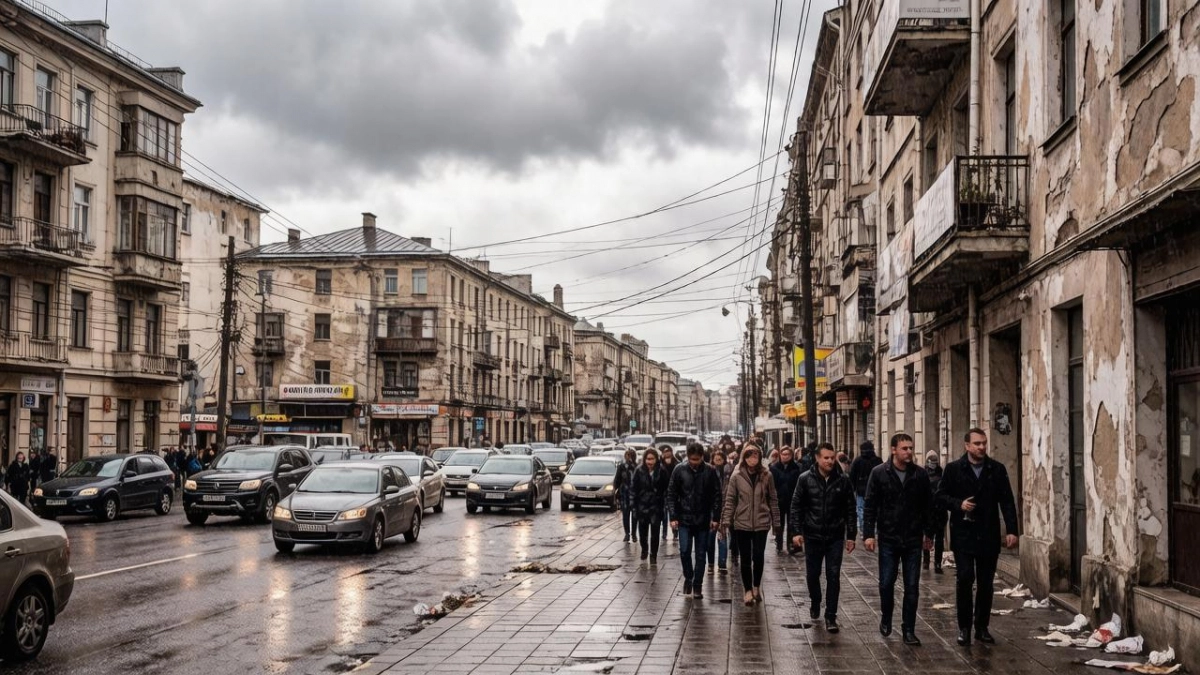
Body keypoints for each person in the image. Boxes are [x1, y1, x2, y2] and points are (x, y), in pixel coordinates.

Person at [935, 428, 1018, 646]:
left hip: (988, 534)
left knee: (986, 583)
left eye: (984, 443)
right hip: (963, 533)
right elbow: (941, 496)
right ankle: (964, 628)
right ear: (967, 446)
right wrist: (958, 504)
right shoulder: (954, 469)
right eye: (977, 443)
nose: (981, 447)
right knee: (964, 579)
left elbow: (1007, 501)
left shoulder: (996, 469)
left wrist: (1011, 530)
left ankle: (982, 627)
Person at [863, 433, 934, 646]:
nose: (909, 452)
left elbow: (928, 507)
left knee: (912, 586)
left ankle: (909, 629)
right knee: (886, 583)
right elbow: (870, 505)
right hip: (889, 537)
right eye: (904, 448)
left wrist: (928, 534)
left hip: (912, 538)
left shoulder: (919, 475)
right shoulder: (879, 473)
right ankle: (886, 616)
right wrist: (868, 535)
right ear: (894, 450)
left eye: (911, 448)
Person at [790, 442, 857, 633]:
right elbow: (796, 506)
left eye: (832, 457)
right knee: (813, 574)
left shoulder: (843, 480)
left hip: (835, 535)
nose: (829, 461)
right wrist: (796, 532)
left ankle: (831, 616)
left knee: (833, 575)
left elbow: (850, 509)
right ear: (817, 458)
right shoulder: (805, 479)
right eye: (825, 457)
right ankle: (815, 600)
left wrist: (850, 536)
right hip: (813, 534)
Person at [720, 444, 780, 606]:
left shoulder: (767, 475)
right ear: (744, 458)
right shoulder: (737, 475)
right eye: (749, 456)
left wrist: (776, 522)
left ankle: (756, 586)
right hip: (742, 522)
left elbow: (773, 499)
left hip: (761, 522)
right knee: (745, 558)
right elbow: (730, 500)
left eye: (755, 456)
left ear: (760, 458)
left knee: (758, 556)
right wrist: (726, 522)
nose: (752, 460)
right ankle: (747, 590)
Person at [667, 442, 722, 599]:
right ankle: (688, 577)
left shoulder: (710, 471)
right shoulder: (679, 470)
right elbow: (671, 494)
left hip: (703, 519)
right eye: (692, 459)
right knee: (684, 551)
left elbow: (717, 495)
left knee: (700, 554)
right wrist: (673, 516)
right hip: (684, 518)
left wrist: (715, 517)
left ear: (702, 457)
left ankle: (697, 584)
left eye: (697, 459)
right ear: (688, 457)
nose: (694, 462)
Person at [631, 448, 670, 565]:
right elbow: (634, 489)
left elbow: (666, 488)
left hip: (656, 506)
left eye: (652, 459)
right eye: (648, 459)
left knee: (655, 533)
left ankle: (653, 554)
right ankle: (644, 549)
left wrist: (664, 503)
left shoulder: (662, 470)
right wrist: (633, 506)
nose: (650, 462)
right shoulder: (639, 471)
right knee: (642, 532)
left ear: (656, 459)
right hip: (642, 505)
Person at [770, 446, 801, 554]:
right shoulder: (774, 468)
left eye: (787, 454)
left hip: (793, 500)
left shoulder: (796, 468)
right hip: (779, 500)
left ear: (791, 455)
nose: (785, 456)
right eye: (783, 454)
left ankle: (791, 544)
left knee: (792, 523)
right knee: (779, 523)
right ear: (780, 455)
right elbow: (771, 485)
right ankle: (779, 544)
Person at [849, 440, 882, 535]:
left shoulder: (857, 460)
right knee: (874, 509)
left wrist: (852, 489)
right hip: (875, 490)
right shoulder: (878, 460)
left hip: (861, 489)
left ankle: (864, 529)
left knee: (861, 509)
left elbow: (852, 476)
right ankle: (874, 528)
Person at [706, 449, 730, 575]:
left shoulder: (728, 473)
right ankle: (710, 563)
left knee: (723, 537)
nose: (718, 462)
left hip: (724, 508)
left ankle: (722, 563)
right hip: (711, 509)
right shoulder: (709, 472)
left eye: (720, 459)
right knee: (710, 538)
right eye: (716, 459)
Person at [924, 451, 946, 574]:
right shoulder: (939, 474)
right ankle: (933, 563)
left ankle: (930, 562)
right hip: (934, 511)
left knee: (933, 538)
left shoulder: (925, 474)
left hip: (935, 511)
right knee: (935, 538)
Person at [617, 448, 639, 543]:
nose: (628, 457)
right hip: (625, 495)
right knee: (625, 515)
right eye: (627, 455)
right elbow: (617, 479)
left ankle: (634, 534)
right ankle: (627, 533)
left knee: (634, 516)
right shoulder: (621, 466)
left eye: (630, 455)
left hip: (634, 495)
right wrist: (616, 491)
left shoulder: (637, 467)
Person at [659, 447, 678, 540]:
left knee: (673, 513)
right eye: (665, 452)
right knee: (664, 515)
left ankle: (675, 532)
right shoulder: (660, 464)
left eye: (668, 452)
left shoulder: (676, 463)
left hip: (674, 492)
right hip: (663, 492)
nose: (667, 454)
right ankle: (664, 533)